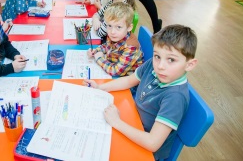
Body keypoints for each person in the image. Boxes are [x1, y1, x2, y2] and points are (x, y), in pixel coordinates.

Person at [85, 24, 198, 160]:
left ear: (189, 64)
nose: (160, 66)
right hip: (133, 121)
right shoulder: (152, 65)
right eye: (157, 56)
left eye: (171, 59)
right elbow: (129, 81)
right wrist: (100, 88)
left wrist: (117, 122)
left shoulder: (175, 97)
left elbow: (152, 143)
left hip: (145, 149)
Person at [87, 2, 143, 76]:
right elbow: (106, 46)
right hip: (112, 66)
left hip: (126, 81)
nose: (112, 32)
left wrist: (99, 58)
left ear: (129, 27)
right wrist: (96, 51)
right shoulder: (116, 35)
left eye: (118, 27)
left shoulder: (131, 47)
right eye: (109, 26)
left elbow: (115, 72)